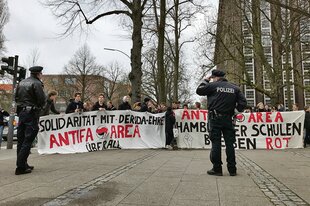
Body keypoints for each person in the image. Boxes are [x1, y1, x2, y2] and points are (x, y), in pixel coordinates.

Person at [196, 69, 247, 176]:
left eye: (212, 78)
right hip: (228, 119)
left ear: (215, 77)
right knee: (230, 144)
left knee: (216, 143)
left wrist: (205, 80)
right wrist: (235, 111)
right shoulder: (234, 88)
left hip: (215, 118)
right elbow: (243, 102)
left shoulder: (213, 86)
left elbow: (199, 90)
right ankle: (232, 169)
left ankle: (217, 168)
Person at [15, 66, 46, 175]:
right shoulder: (37, 83)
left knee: (21, 140)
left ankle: (22, 163)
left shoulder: (22, 82)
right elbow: (42, 100)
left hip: (22, 113)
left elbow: (16, 98)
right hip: (31, 113)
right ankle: (20, 167)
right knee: (28, 140)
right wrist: (39, 108)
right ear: (38, 73)